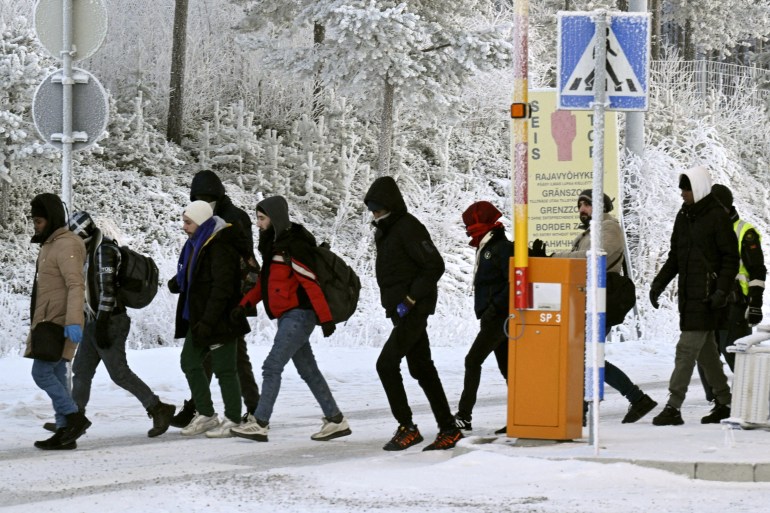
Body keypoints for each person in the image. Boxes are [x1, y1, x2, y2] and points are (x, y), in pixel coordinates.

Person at [230, 196, 351, 443]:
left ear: (274, 219)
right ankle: (336, 420)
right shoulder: (274, 245)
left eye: (262, 219)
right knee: (308, 370)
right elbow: (266, 281)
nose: (258, 224)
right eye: (257, 218)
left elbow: (310, 283)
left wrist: (326, 319)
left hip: (299, 315)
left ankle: (260, 422)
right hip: (288, 317)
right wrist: (245, 304)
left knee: (272, 366)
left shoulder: (293, 246)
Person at [534, 189, 657, 423]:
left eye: (587, 205)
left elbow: (595, 257)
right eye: (579, 205)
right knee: (587, 356)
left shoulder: (609, 228)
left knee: (587, 356)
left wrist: (552, 258)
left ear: (600, 206)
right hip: (587, 301)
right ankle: (631, 399)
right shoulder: (589, 233)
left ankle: (586, 411)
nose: (581, 210)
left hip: (601, 301)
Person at [364, 176, 463, 451]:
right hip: (399, 310)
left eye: (378, 208)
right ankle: (449, 428)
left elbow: (434, 265)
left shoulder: (408, 227)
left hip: (413, 309)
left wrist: (410, 298)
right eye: (372, 209)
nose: (375, 213)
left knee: (385, 365)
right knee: (422, 369)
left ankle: (407, 427)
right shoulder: (386, 230)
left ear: (390, 204)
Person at [67, 211, 176, 438]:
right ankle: (74, 418)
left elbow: (109, 290)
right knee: (81, 371)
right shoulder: (89, 251)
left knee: (119, 373)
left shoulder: (104, 251)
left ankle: (158, 408)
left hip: (111, 320)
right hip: (94, 320)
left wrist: (104, 322)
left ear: (83, 234)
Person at [170, 169, 261, 427]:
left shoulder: (232, 219)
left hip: (229, 302)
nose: (203, 200)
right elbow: (195, 258)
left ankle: (253, 409)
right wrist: (182, 280)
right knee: (207, 357)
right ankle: (201, 409)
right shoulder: (200, 217)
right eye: (199, 196)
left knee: (233, 361)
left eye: (207, 196)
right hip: (206, 301)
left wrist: (240, 302)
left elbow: (240, 261)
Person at [649, 166, 738, 426]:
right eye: (681, 188)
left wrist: (721, 290)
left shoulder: (716, 216)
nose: (682, 194)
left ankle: (673, 406)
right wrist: (658, 283)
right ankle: (724, 401)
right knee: (706, 352)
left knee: (686, 350)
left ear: (698, 188)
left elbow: (731, 258)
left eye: (686, 188)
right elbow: (675, 256)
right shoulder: (684, 216)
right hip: (689, 297)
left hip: (710, 298)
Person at [27, 193, 91, 450]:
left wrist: (73, 321)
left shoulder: (67, 244)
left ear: (51, 218)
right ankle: (65, 431)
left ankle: (75, 417)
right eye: (34, 220)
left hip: (61, 321)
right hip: (48, 319)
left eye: (39, 220)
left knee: (41, 373)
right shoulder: (50, 244)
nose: (36, 225)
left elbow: (76, 285)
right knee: (56, 373)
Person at [697, 184, 766, 399]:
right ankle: (720, 400)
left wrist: (755, 304)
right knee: (704, 353)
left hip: (734, 305)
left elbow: (757, 271)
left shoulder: (744, 232)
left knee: (735, 353)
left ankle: (755, 398)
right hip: (708, 303)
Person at [453, 201, 511, 433]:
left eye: (469, 224)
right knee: (508, 369)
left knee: (472, 360)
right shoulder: (488, 245)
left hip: (498, 317)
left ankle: (464, 415)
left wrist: (494, 307)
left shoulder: (499, 247)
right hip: (494, 316)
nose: (467, 229)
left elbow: (511, 282)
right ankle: (521, 414)